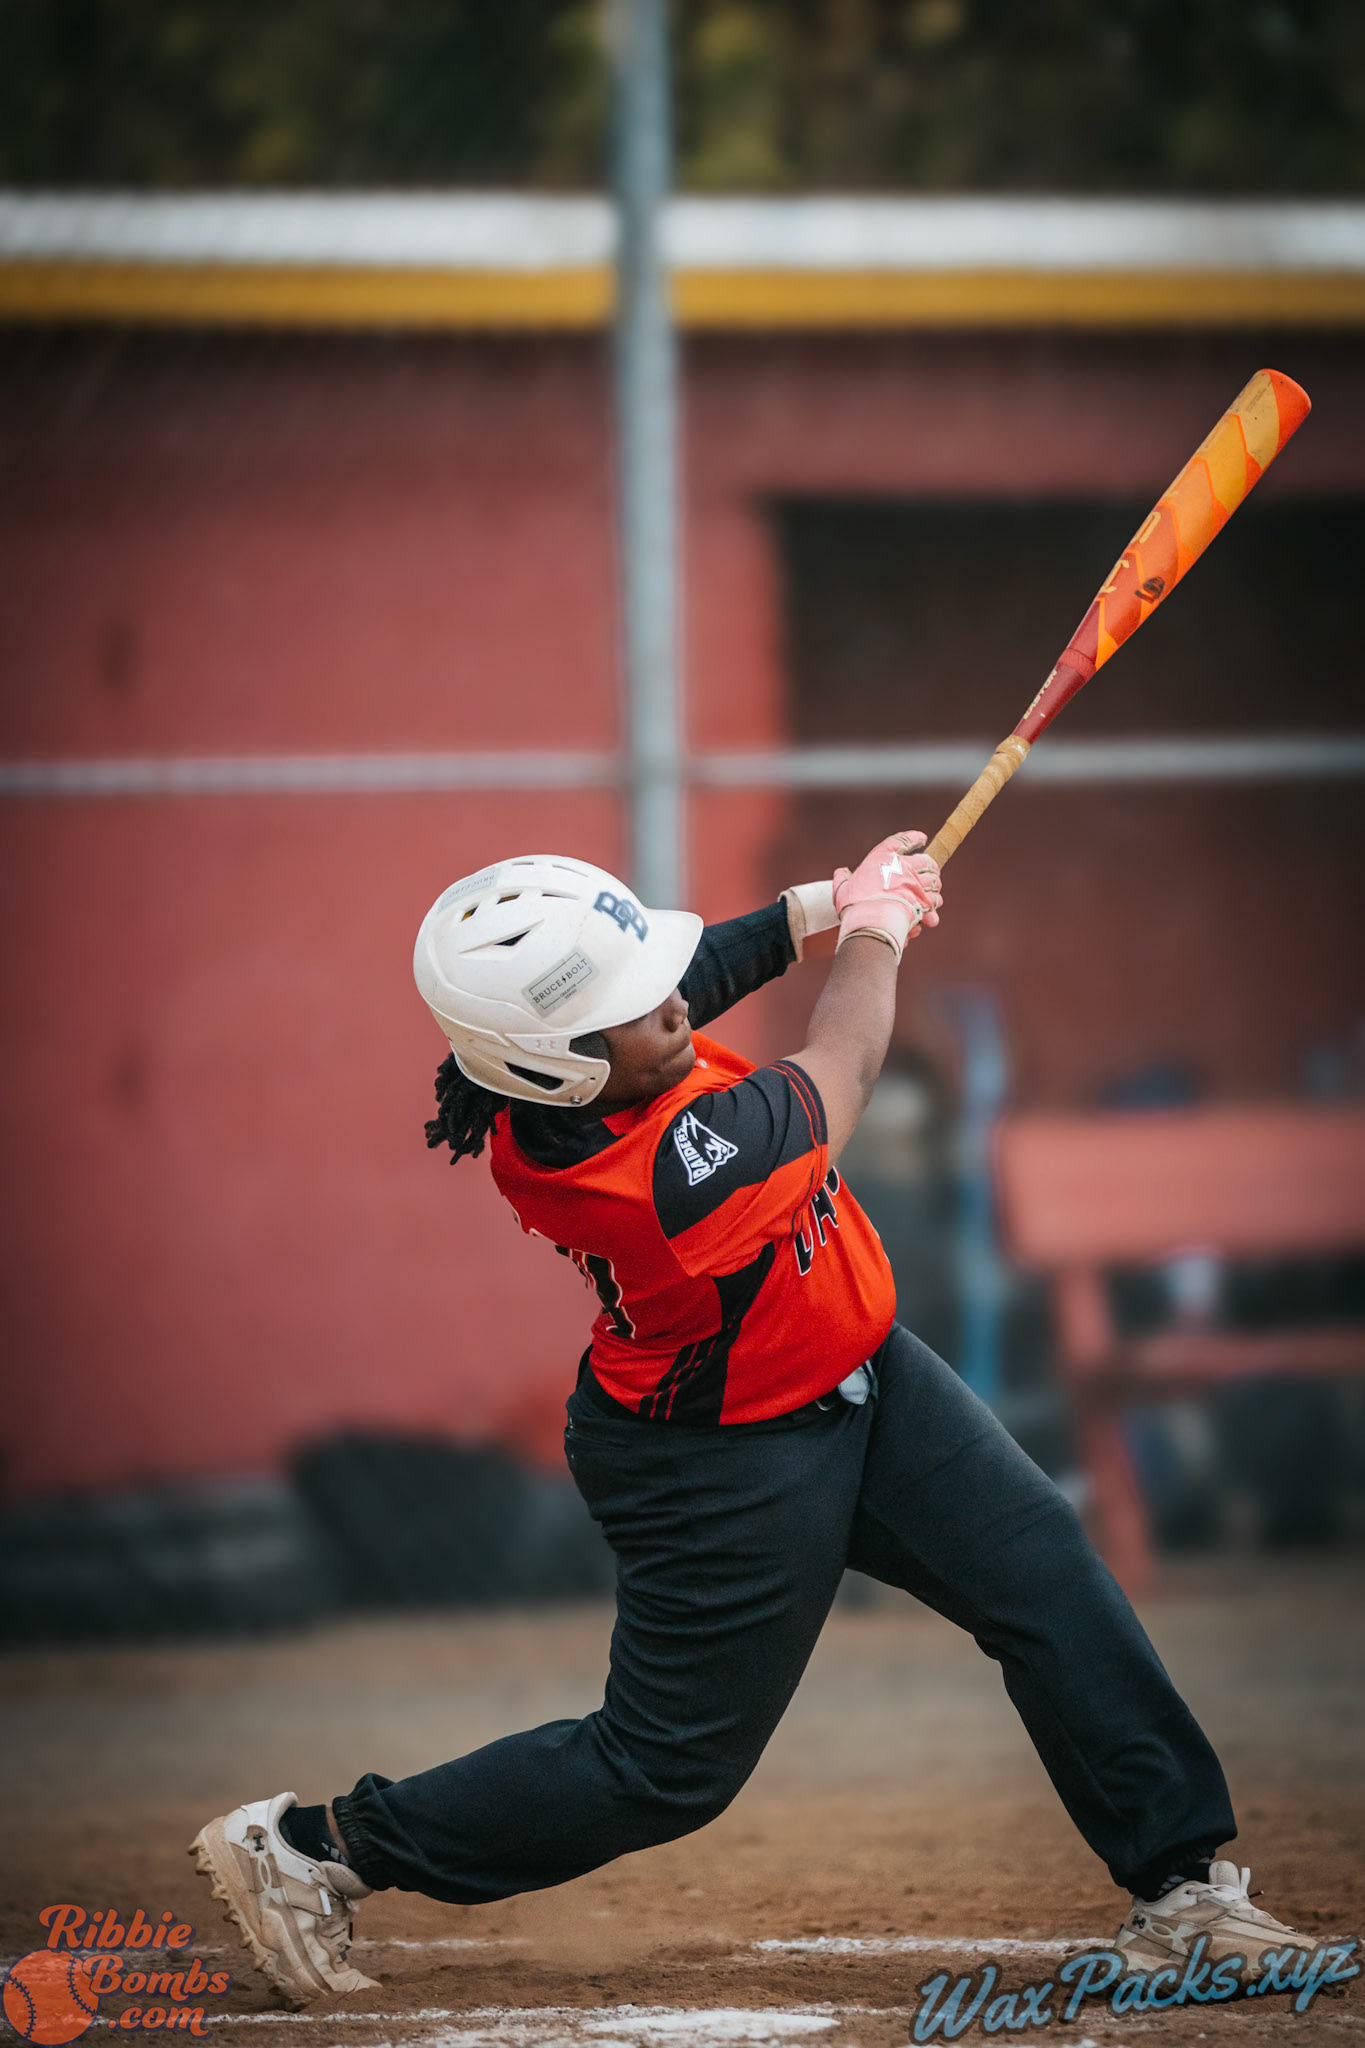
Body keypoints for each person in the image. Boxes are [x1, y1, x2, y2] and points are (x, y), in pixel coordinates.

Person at [190, 840, 1310, 2006]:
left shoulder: (570, 1069)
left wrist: (827, 901)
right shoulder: (670, 1176)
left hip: (860, 1369)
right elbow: (847, 1060)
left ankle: (1184, 1891)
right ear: (564, 1068)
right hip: (721, 1453)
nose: (674, 1001)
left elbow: (684, 985)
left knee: (1045, 1575)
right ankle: (316, 1847)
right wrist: (876, 933)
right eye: (635, 1006)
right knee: (664, 1768)